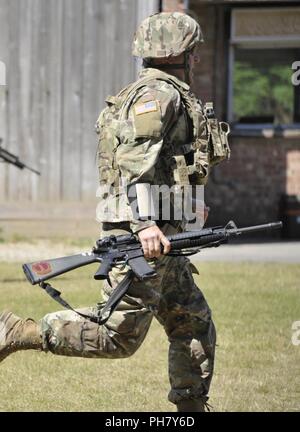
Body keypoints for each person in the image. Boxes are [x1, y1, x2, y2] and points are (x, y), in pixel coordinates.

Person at [0, 12, 230, 412]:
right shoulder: (158, 95)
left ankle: (192, 409)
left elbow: (169, 163)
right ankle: (18, 331)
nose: (197, 59)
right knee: (116, 337)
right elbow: (133, 159)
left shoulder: (162, 92)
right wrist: (144, 225)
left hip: (166, 238)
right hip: (147, 239)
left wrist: (188, 205)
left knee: (192, 322)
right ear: (177, 54)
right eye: (193, 52)